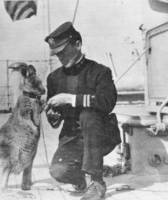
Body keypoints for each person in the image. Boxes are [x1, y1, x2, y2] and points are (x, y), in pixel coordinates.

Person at [44, 21, 121, 200]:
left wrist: (70, 99)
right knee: (58, 171)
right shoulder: (53, 78)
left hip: (100, 135)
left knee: (88, 114)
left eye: (64, 52)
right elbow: (55, 120)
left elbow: (106, 102)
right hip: (72, 138)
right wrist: (53, 116)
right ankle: (80, 179)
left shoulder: (100, 71)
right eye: (57, 54)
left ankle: (97, 182)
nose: (61, 57)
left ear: (78, 45)